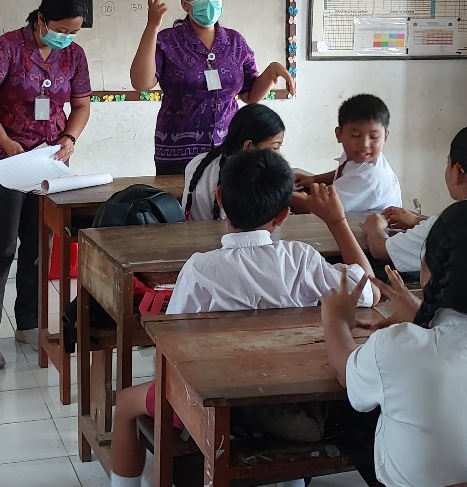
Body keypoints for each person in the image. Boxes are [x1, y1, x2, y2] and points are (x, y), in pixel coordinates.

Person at [108, 150, 375, 487]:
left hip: (217, 405)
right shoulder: (301, 260)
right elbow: (369, 291)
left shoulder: (200, 268)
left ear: (220, 197)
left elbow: (173, 346)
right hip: (295, 402)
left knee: (126, 402)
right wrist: (337, 221)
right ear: (284, 214)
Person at [322, 200, 467, 487]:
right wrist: (422, 317)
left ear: (428, 269)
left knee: (346, 420)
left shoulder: (395, 349)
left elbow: (345, 372)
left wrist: (335, 319)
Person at [0, 0, 91, 370]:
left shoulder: (74, 56)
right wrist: (6, 142)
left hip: (49, 163)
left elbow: (81, 105)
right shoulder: (6, 48)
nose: (66, 37)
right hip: (5, 159)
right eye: (61, 29)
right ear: (40, 20)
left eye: (73, 32)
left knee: (38, 247)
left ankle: (30, 325)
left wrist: (70, 138)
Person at [129, 0, 295, 175]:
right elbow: (141, 82)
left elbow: (250, 96)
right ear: (185, 4)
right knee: (179, 196)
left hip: (228, 148)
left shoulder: (235, 42)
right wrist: (152, 27)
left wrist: (271, 72)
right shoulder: (168, 40)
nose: (208, 1)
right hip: (178, 150)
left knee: (225, 195)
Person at [363, 125, 467, 279]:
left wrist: (375, 227)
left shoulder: (443, 229)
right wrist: (417, 221)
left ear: (458, 172)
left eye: (448, 162)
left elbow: (380, 249)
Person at [294, 94, 401, 214]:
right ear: (339, 134)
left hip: (371, 226)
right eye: (355, 135)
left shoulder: (369, 178)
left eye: (374, 137)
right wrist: (314, 179)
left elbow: (318, 208)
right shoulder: (360, 158)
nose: (364, 144)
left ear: (385, 137)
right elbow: (346, 172)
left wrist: (281, 192)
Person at [182, 103, 285, 221]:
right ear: (249, 146)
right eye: (275, 147)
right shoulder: (245, 178)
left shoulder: (198, 161)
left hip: (192, 230)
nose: (278, 155)